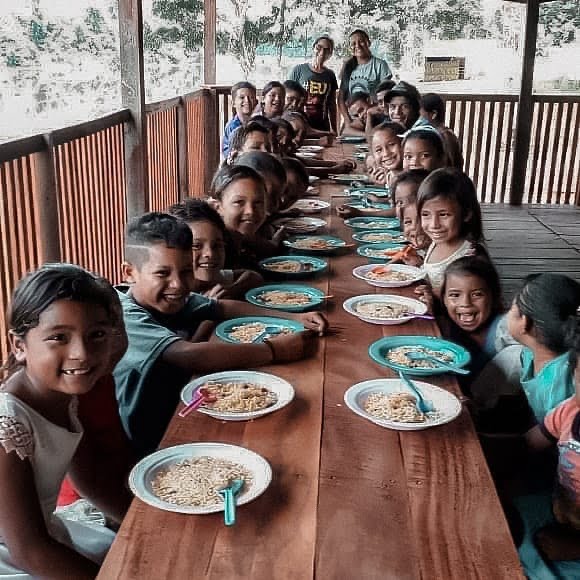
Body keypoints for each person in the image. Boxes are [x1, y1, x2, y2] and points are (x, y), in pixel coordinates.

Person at [114, 212, 328, 457]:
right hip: (146, 438)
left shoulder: (169, 298)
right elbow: (187, 355)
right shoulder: (125, 316)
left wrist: (294, 317)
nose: (179, 284)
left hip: (184, 406)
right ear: (130, 272)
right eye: (162, 274)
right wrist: (273, 350)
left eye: (185, 271)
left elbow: (221, 307)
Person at [0, 264, 124, 577]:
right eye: (59, 337)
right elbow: (30, 550)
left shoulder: (63, 394)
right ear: (20, 346)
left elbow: (88, 479)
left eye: (96, 335)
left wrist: (142, 521)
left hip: (42, 533)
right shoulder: (8, 427)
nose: (82, 353)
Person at [439, 257, 523, 410]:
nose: (465, 303)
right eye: (454, 295)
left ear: (494, 296)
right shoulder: (443, 327)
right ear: (443, 298)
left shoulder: (506, 329)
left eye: (477, 294)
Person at [507, 273, 580, 423]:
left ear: (524, 322)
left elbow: (554, 438)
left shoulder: (558, 388)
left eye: (511, 310)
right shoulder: (529, 353)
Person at [167, 198, 263, 299]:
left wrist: (232, 288)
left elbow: (253, 276)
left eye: (217, 245)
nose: (210, 253)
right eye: (196, 246)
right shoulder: (172, 294)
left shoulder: (212, 280)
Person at [417, 168, 488, 295]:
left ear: (466, 214)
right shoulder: (437, 242)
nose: (434, 225)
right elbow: (434, 275)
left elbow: (462, 301)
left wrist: (433, 295)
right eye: (426, 214)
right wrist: (418, 263)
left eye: (444, 215)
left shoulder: (469, 257)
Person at [210, 163, 278, 267]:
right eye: (239, 202)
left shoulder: (240, 239)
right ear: (217, 208)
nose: (250, 211)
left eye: (258, 202)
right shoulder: (213, 250)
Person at [338, 30, 392, 133]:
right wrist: (347, 120)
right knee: (346, 138)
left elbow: (386, 94)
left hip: (374, 115)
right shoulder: (348, 67)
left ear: (368, 43)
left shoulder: (379, 65)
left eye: (361, 41)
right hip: (354, 116)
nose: (357, 45)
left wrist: (373, 111)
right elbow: (341, 98)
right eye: (353, 44)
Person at [289, 35, 339, 133]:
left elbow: (332, 104)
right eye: (319, 47)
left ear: (330, 54)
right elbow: (288, 96)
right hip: (300, 123)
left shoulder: (330, 75)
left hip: (322, 125)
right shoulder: (299, 70)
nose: (322, 52)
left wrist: (335, 130)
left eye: (326, 50)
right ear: (313, 48)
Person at [420, 92, 464, 169]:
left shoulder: (443, 136)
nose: (418, 120)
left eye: (420, 115)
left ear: (433, 114)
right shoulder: (438, 133)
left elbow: (449, 166)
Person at [222, 81, 257, 158]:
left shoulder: (257, 122)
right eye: (242, 97)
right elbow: (231, 152)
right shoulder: (232, 126)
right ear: (233, 103)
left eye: (251, 97)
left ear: (256, 102)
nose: (247, 101)